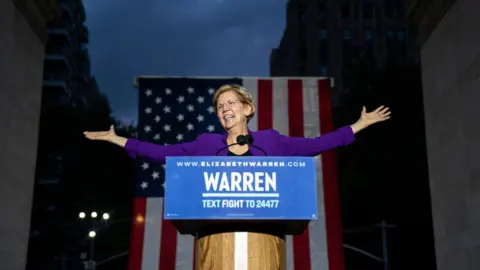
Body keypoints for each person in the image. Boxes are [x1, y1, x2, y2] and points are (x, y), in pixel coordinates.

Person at [83, 84, 391, 161]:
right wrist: (117, 139)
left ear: (248, 109)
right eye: (220, 106)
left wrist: (359, 125)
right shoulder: (205, 145)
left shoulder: (272, 141)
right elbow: (162, 153)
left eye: (231, 103)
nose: (225, 108)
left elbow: (317, 145)